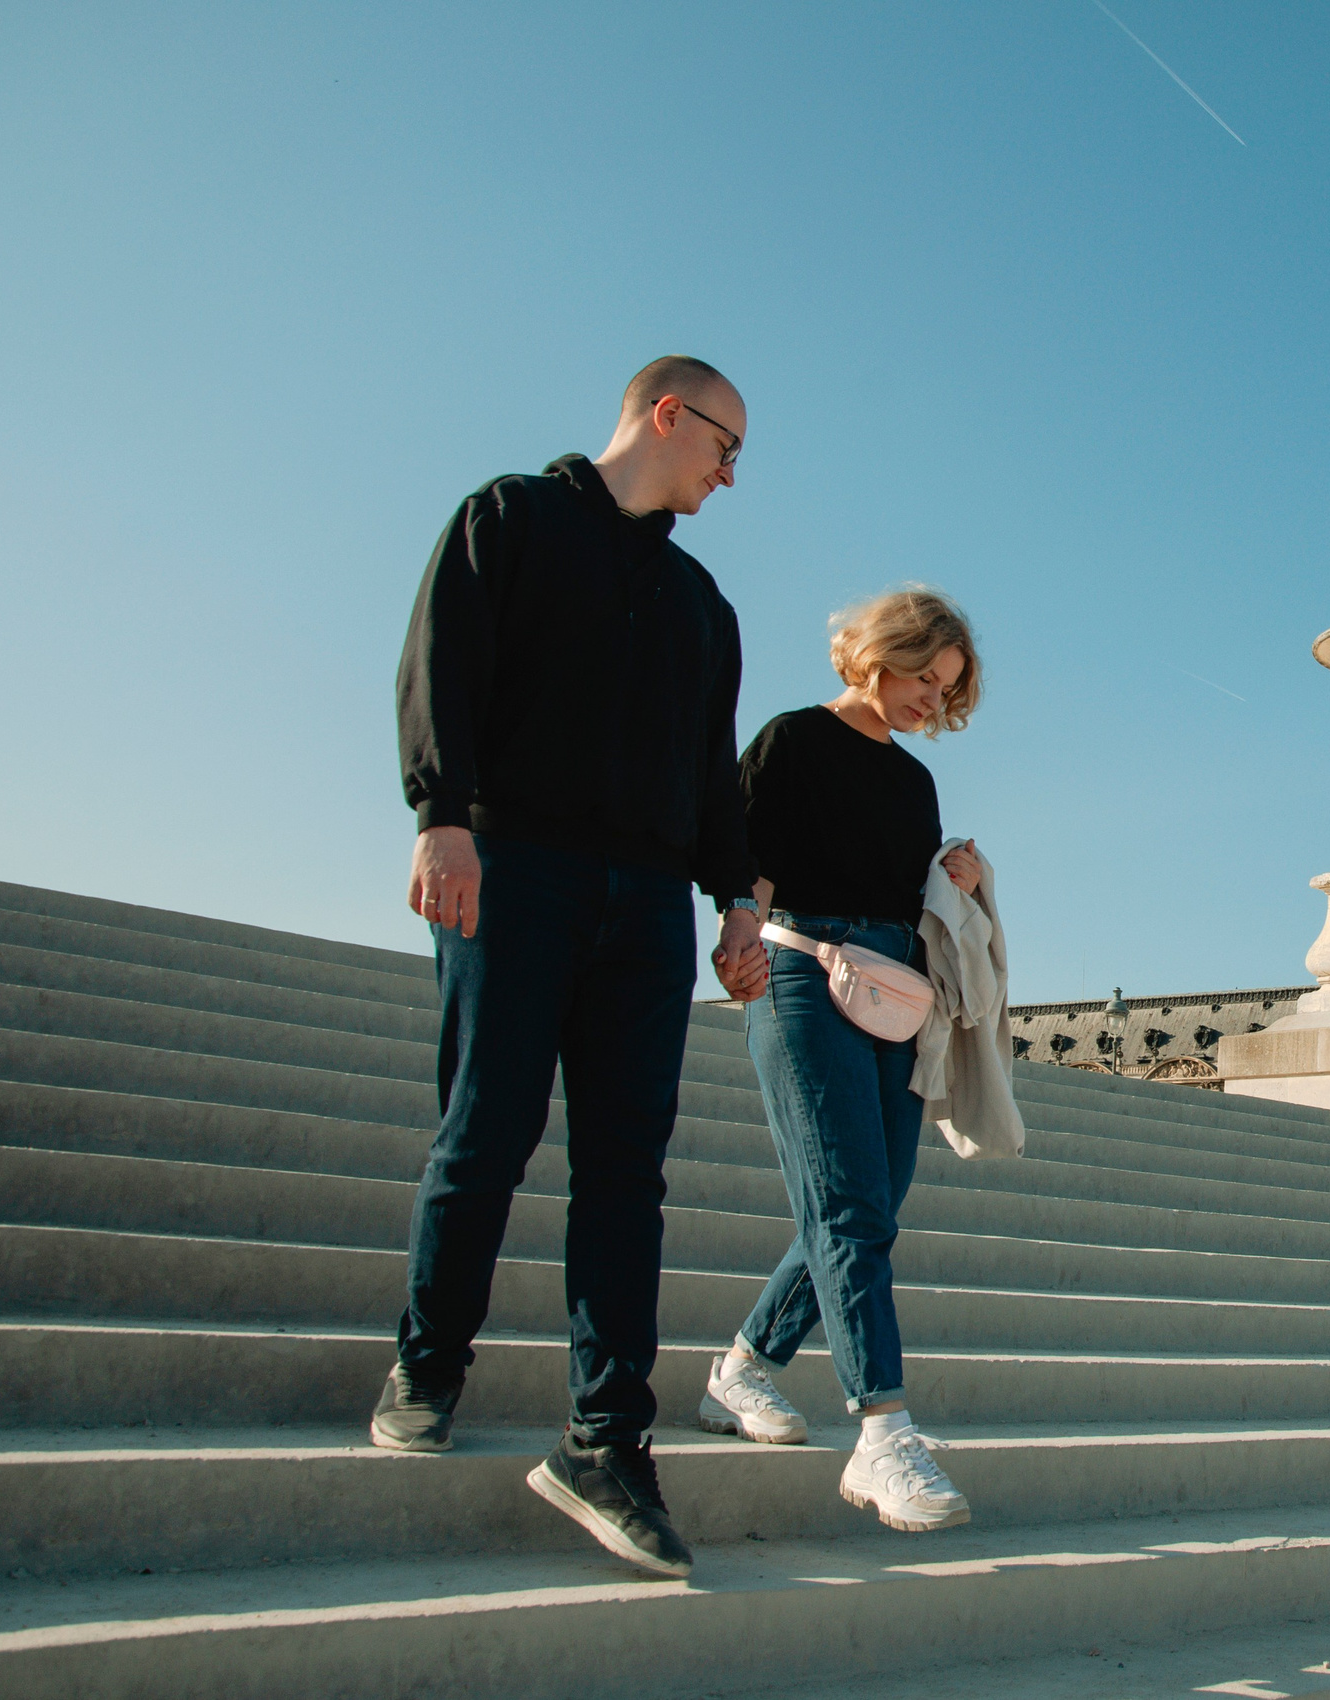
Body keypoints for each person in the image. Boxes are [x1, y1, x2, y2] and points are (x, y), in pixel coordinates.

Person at [378, 356, 771, 1581]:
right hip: (515, 864)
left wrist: (739, 900)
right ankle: (429, 1362)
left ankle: (607, 1436)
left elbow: (712, 768)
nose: (728, 470)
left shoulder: (704, 603)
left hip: (648, 902)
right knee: (485, 1127)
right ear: (667, 414)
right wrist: (441, 814)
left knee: (624, 1173)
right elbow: (441, 662)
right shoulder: (512, 517)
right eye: (725, 443)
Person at [697, 588, 986, 1532]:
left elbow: (903, 892)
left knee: (872, 1196)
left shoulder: (914, 783)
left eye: (945, 691)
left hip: (892, 989)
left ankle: (743, 1365)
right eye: (923, 677)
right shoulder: (792, 740)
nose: (930, 702)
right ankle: (883, 1433)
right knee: (850, 1204)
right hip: (799, 973)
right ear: (879, 653)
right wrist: (739, 923)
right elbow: (753, 858)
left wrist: (957, 881)